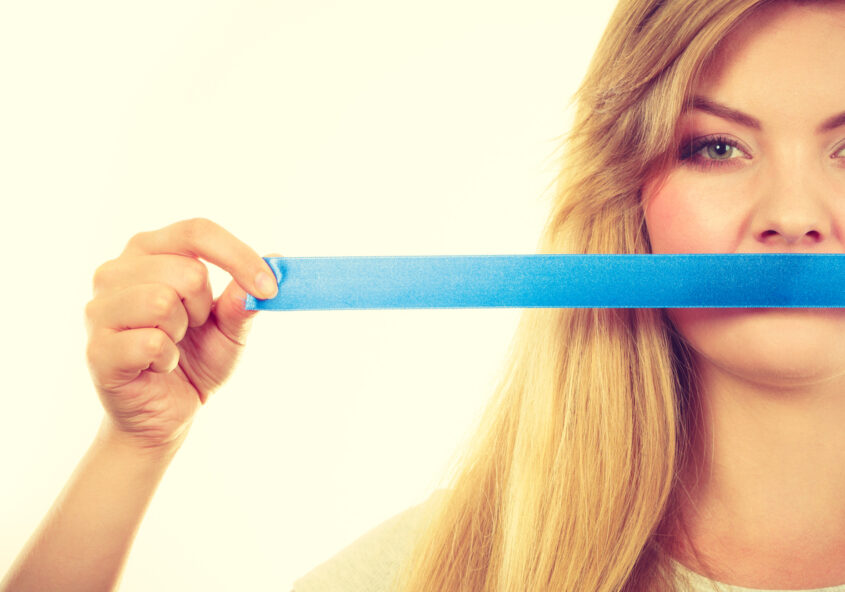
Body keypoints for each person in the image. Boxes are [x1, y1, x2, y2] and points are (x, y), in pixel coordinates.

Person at [3, 0, 845, 590]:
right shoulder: (454, 568)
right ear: (628, 197)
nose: (793, 216)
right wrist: (134, 445)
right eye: (716, 148)